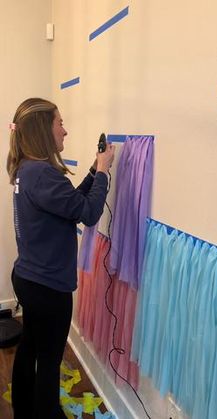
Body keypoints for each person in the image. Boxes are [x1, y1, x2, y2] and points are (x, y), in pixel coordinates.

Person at [6, 97, 115, 419]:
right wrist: (106, 173)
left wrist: (95, 172)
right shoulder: (42, 173)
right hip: (47, 285)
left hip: (28, 277)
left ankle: (26, 409)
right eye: (60, 123)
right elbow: (89, 212)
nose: (65, 132)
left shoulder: (27, 169)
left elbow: (69, 204)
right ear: (44, 128)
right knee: (50, 358)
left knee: (30, 347)